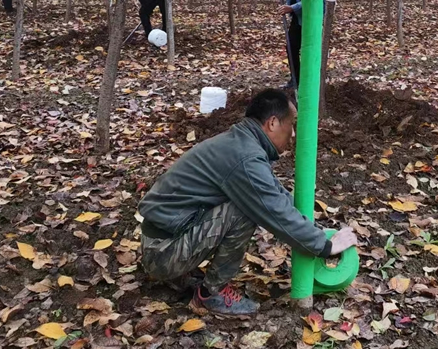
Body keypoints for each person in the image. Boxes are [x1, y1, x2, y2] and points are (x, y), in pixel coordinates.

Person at [138, 89, 357, 317]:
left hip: (162, 240)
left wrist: (314, 229)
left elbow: (276, 195)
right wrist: (325, 246)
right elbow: (274, 211)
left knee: (248, 202)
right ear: (272, 123)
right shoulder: (245, 157)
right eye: (291, 124)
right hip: (162, 253)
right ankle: (211, 293)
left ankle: (183, 275)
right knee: (243, 210)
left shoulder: (241, 143)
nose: (293, 134)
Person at [273, 0, 302, 87]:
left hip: (309, 17)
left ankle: (308, 80)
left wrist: (292, 7)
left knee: (308, 49)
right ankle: (295, 79)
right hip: (297, 18)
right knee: (291, 47)